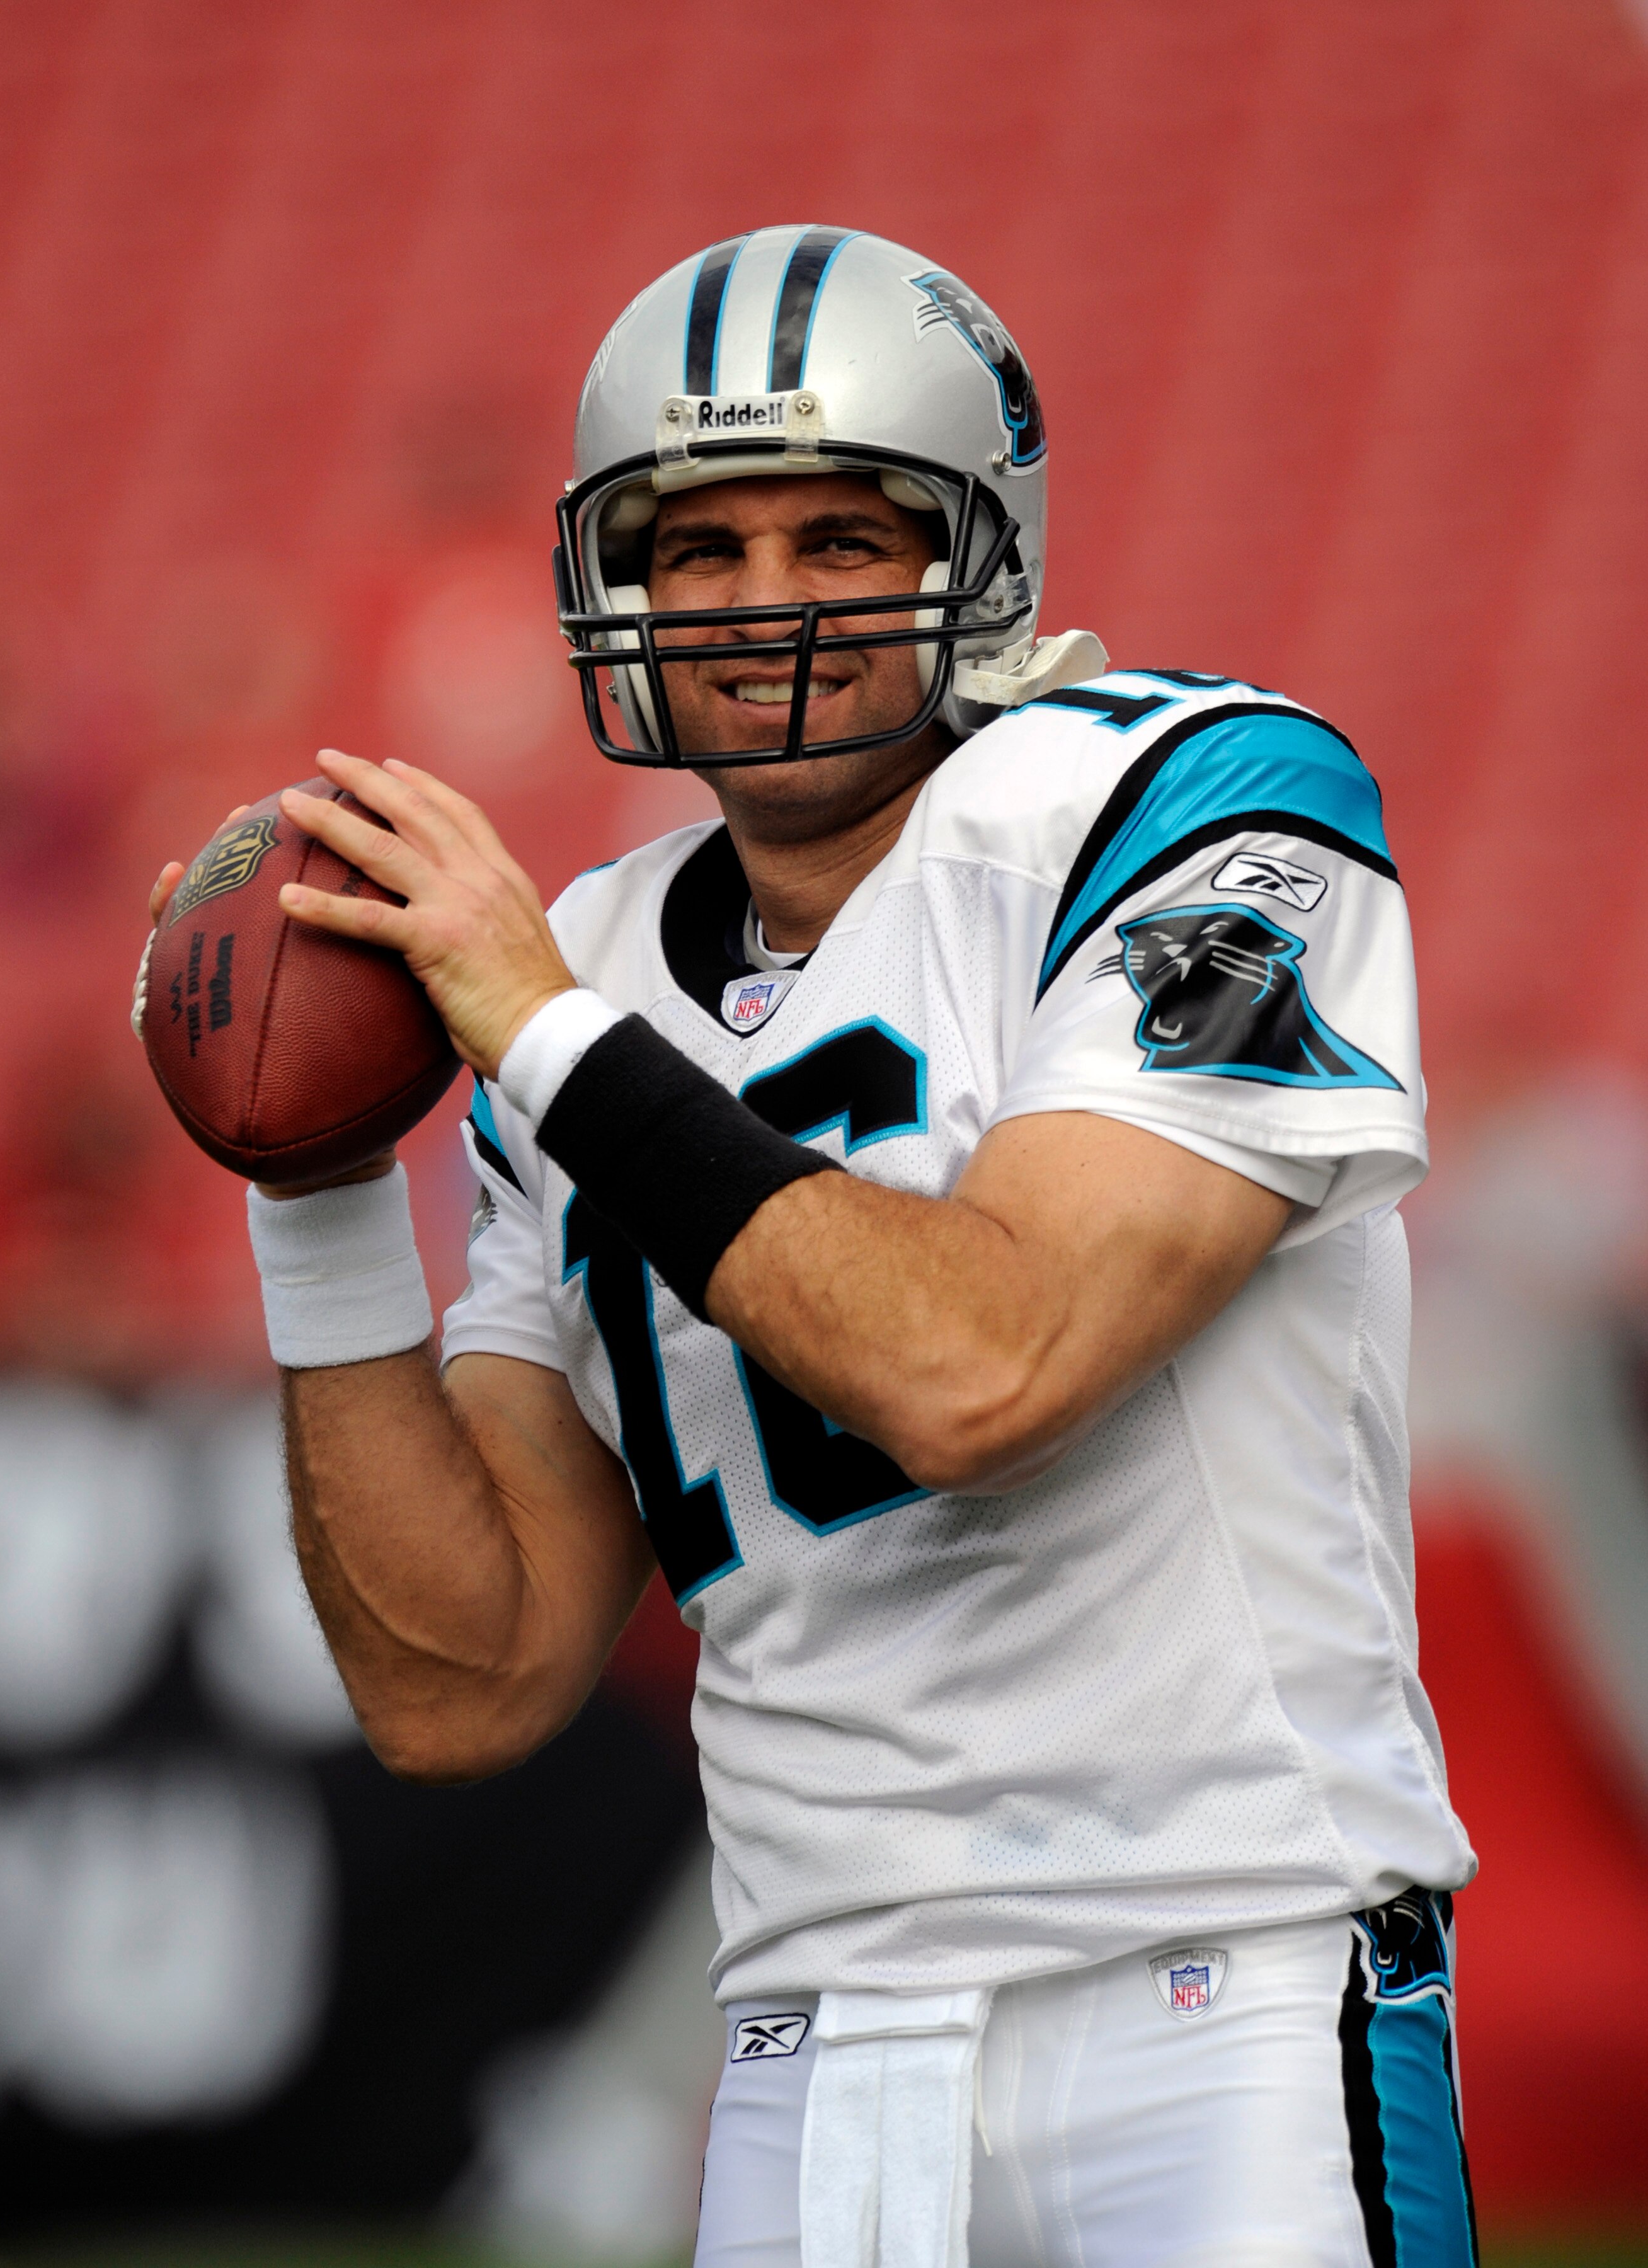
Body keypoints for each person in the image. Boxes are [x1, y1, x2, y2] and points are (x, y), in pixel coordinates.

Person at [142, 227, 1478, 2266]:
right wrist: (311, 1184)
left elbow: (984, 1371)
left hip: (1218, 1976)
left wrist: (556, 1045)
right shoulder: (580, 959)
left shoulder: (1190, 800)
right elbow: (464, 1680)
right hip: (804, 2032)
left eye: (843, 535)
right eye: (699, 548)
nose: (765, 604)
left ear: (980, 550)